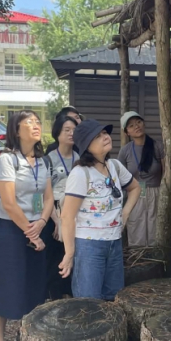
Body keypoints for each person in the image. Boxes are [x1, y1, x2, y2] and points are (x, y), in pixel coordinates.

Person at [0, 110, 55, 341]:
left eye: (37, 121)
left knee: (32, 282)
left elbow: (48, 198)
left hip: (35, 226)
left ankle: (24, 333)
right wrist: (31, 231)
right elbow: (9, 203)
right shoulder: (6, 160)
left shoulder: (43, 162)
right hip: (8, 229)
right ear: (16, 129)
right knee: (3, 284)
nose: (35, 125)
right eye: (29, 122)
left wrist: (42, 223)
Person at [59, 119, 141, 300]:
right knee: (88, 301)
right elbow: (67, 217)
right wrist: (70, 253)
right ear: (87, 146)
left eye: (105, 133)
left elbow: (135, 188)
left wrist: (124, 214)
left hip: (114, 241)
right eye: (98, 136)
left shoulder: (115, 166)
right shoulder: (81, 173)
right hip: (89, 245)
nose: (105, 137)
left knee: (113, 296)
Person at [117, 111, 165, 247]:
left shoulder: (157, 146)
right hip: (134, 194)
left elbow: (166, 172)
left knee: (154, 224)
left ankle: (155, 257)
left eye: (138, 122)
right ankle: (137, 259)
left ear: (144, 123)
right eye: (131, 126)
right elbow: (120, 177)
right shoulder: (125, 151)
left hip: (156, 192)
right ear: (127, 132)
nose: (136, 126)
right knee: (135, 224)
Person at [46, 115, 79, 299]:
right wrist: (57, 220)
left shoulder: (80, 158)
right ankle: (54, 295)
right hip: (54, 213)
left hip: (74, 214)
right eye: (67, 130)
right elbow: (46, 194)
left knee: (72, 251)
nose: (71, 133)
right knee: (55, 255)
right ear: (57, 133)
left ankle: (70, 291)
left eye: (74, 130)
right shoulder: (48, 159)